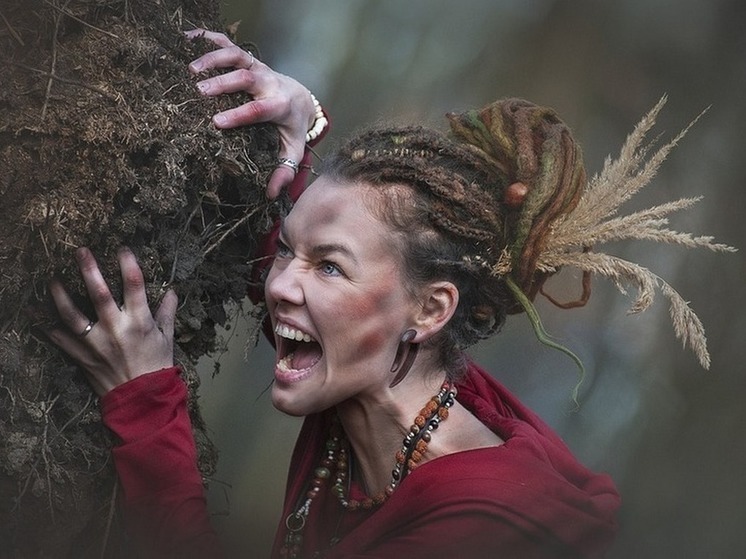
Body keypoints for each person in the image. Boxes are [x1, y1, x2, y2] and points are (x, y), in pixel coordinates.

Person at [46, 29, 729, 559]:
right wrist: (300, 120)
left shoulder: (481, 528)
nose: (279, 282)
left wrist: (143, 406)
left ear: (431, 310)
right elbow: (328, 277)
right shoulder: (379, 367)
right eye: (288, 250)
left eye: (328, 267)